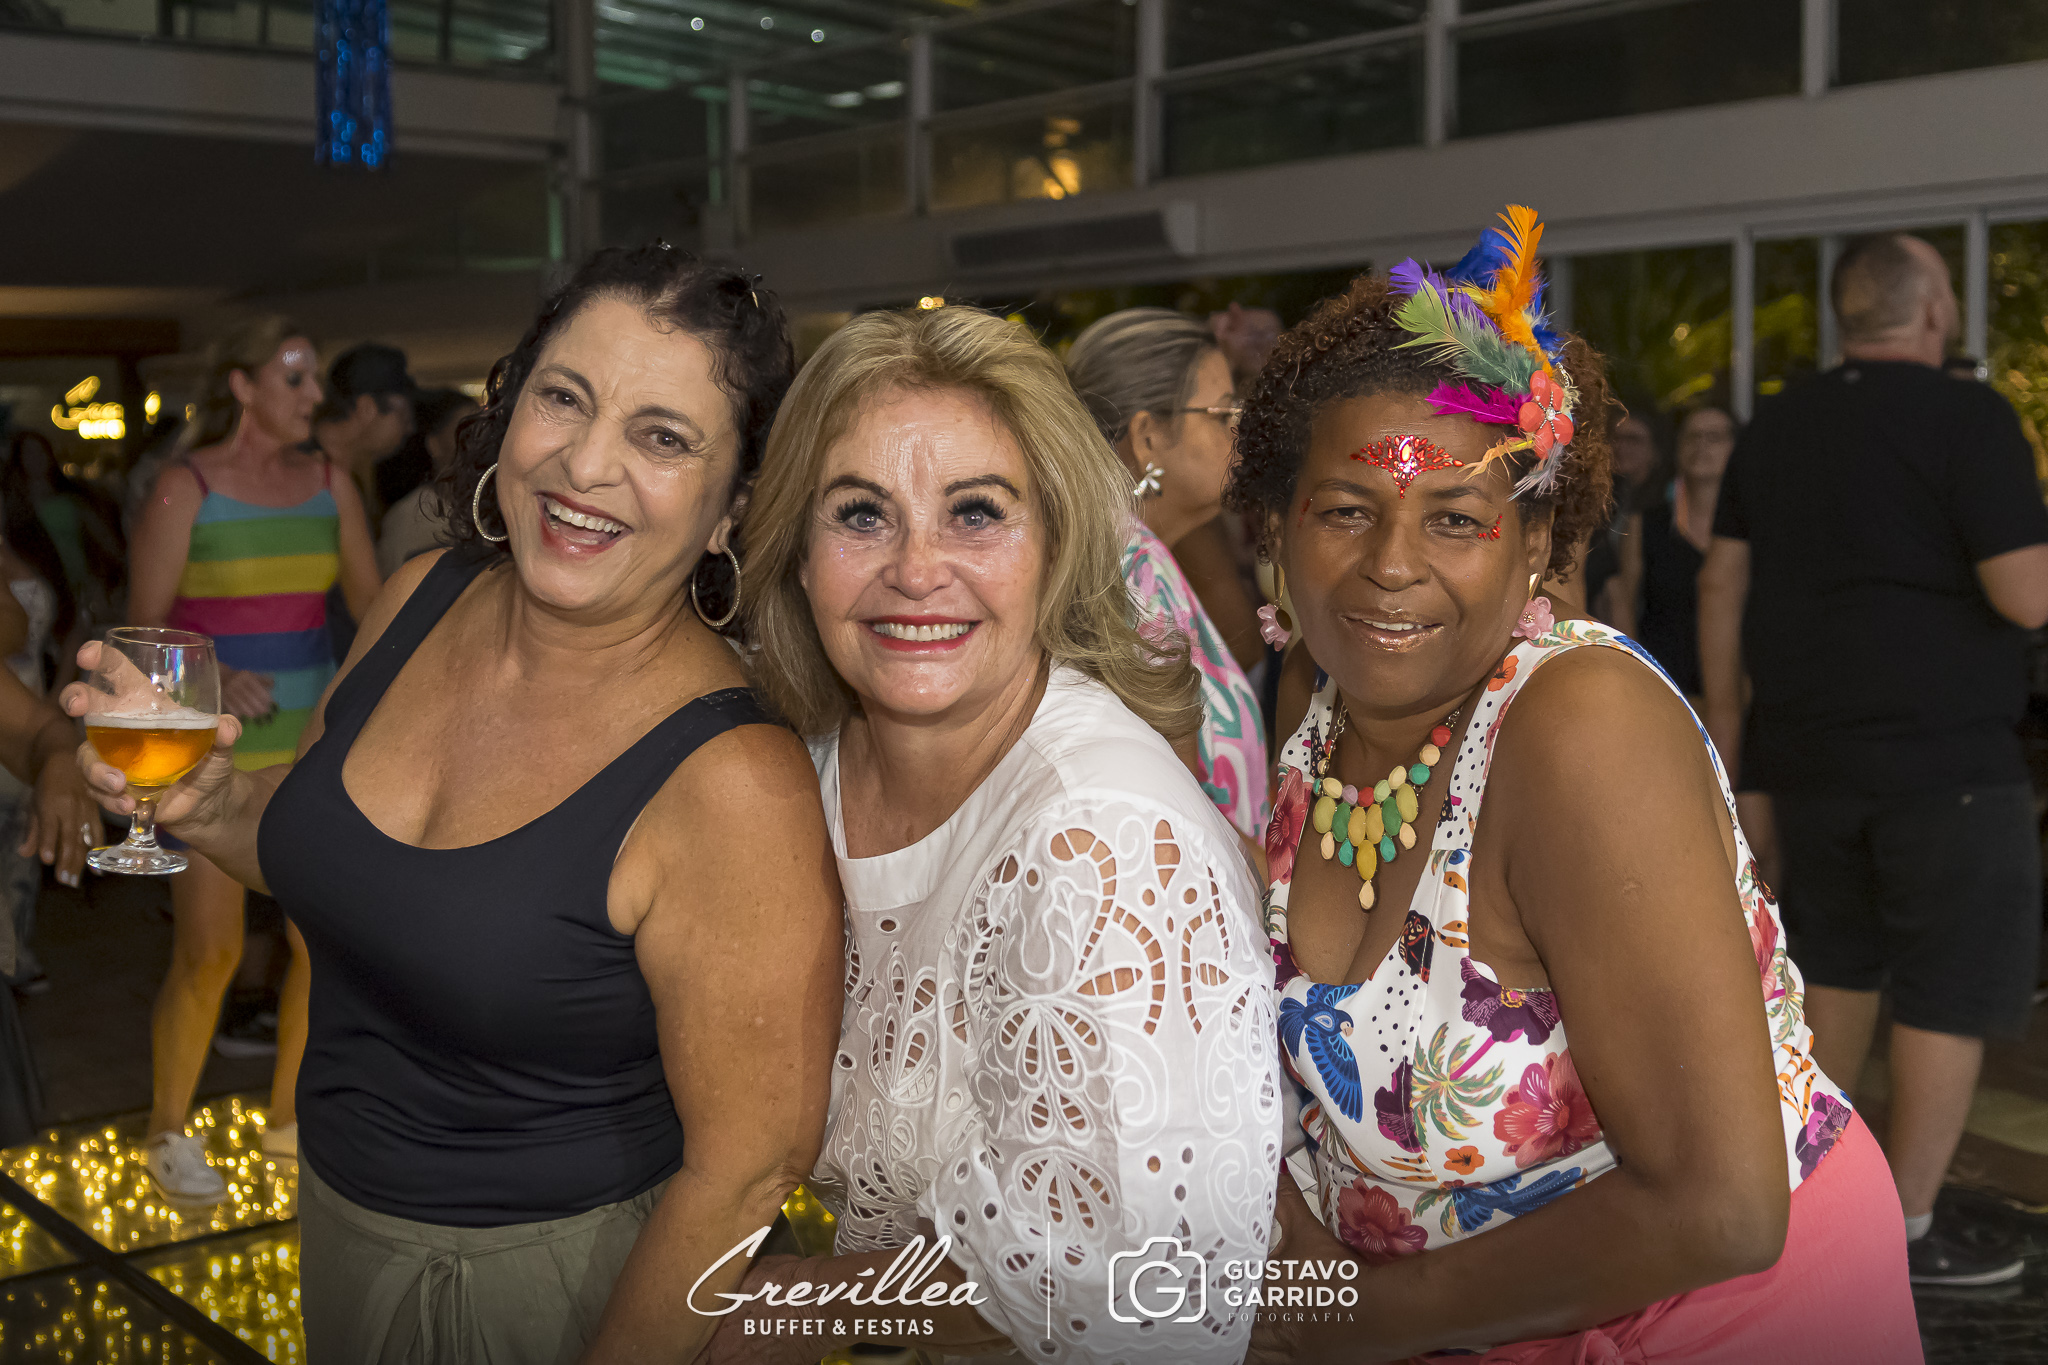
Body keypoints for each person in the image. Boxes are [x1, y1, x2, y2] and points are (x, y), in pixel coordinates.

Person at [69, 246, 841, 1359]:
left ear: (732, 510)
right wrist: (209, 801)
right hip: (339, 1228)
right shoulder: (418, 599)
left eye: (664, 438)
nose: (585, 463)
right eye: (563, 398)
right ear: (507, 407)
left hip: (554, 1286)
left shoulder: (732, 779)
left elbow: (748, 1171)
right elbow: (321, 852)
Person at [1235, 208, 1918, 1362]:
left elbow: (1720, 1208)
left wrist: (1360, 1317)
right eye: (1345, 510)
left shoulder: (1575, 726)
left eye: (1455, 519)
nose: (1389, 564)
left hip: (1721, 1325)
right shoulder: (1317, 712)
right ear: (1274, 527)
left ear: (1539, 546)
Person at [722, 304, 1280, 1364]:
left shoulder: (1104, 840)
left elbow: (1133, 1289)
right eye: (861, 514)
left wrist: (802, 1307)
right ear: (795, 550)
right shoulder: (806, 769)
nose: (915, 569)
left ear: (1055, 545)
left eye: (974, 512)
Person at [1700, 231, 2048, 1286]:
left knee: (1835, 973)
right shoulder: (1969, 419)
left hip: (1807, 759)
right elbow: (2026, 596)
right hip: (1948, 765)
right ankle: (1904, 1227)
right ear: (1933, 310)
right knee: (1945, 991)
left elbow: (1720, 586)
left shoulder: (1777, 425)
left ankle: (1810, 1211)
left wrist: (1735, 755)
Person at [123, 316, 381, 1201]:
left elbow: (375, 612)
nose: (315, 396)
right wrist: (216, 673)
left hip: (311, 751)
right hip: (212, 756)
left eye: (316, 380)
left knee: (321, 946)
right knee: (211, 951)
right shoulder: (185, 485)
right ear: (241, 385)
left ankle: (287, 1122)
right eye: (294, 378)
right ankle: (165, 1129)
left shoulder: (331, 483)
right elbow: (141, 629)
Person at [1065, 306, 1269, 849]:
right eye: (1222, 414)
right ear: (1148, 437)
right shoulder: (1133, 568)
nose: (1239, 432)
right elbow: (1178, 806)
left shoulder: (1120, 551)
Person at [1607, 402, 1738, 695]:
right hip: (1663, 685)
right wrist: (1635, 676)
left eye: (1714, 437)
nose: (1701, 445)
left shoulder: (1753, 527)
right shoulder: (1645, 523)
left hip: (1740, 688)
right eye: (1692, 436)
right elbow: (1624, 603)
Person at [310, 343, 415, 661]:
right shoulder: (307, 476)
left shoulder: (354, 474)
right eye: (402, 414)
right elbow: (364, 601)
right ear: (368, 408)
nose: (409, 428)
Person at [375, 389, 479, 577]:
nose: (478, 442)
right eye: (466, 433)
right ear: (434, 444)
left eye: (483, 430)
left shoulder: (493, 510)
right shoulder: (410, 517)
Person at [1584, 408, 1659, 623]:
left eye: (1633, 440)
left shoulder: (1669, 506)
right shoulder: (1597, 503)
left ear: (1655, 450)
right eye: (1615, 438)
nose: (1621, 447)